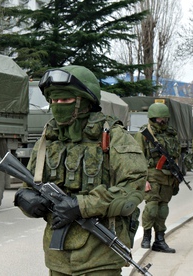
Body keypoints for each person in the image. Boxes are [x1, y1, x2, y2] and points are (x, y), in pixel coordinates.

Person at [14, 65, 148, 275]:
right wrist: (25, 198)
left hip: (100, 257)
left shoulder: (113, 135)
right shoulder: (50, 137)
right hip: (57, 259)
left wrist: (81, 206)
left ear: (84, 101)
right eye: (54, 101)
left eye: (65, 100)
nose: (58, 106)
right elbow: (30, 182)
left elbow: (133, 189)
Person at [134, 103, 180, 253]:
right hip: (151, 175)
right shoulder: (144, 134)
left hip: (167, 177)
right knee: (152, 208)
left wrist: (176, 174)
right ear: (153, 118)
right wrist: (143, 180)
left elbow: (177, 155)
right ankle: (147, 236)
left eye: (165, 118)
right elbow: (137, 159)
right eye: (160, 119)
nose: (163, 121)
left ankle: (160, 240)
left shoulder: (171, 134)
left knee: (163, 210)